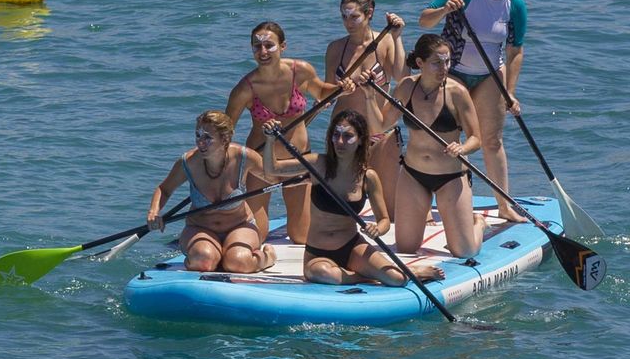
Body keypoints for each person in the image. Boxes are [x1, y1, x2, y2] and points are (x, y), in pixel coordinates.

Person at [419, 0, 527, 221]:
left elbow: (516, 50)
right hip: (453, 72)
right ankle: (429, 204)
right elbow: (424, 20)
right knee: (446, 139)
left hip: (491, 75)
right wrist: (445, 9)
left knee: (492, 141)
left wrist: (511, 92)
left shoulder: (515, 3)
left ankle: (504, 206)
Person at [224, 21, 355, 245]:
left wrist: (342, 88)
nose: (263, 51)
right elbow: (225, 132)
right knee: (257, 236)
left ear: (283, 46)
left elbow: (321, 91)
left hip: (298, 162)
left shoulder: (300, 71)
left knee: (300, 236)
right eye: (257, 46)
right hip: (260, 165)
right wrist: (226, 171)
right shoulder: (244, 88)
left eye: (269, 45)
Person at [279, 109, 444, 286]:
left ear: (360, 140)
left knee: (397, 280)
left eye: (348, 136)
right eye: (336, 135)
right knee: (324, 274)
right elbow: (272, 170)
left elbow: (384, 220)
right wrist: (270, 139)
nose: (340, 142)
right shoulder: (318, 164)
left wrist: (377, 230)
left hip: (352, 247)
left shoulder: (368, 177)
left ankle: (409, 272)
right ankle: (367, 276)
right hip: (318, 253)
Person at [380, 35, 486, 259]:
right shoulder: (407, 87)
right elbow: (382, 124)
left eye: (447, 62)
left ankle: (479, 223)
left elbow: (476, 138)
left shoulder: (457, 93)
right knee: (406, 248)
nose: (444, 68)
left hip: (450, 177)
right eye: (437, 63)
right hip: (413, 174)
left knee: (465, 252)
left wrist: (462, 149)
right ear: (420, 63)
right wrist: (369, 95)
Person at [147, 111, 277, 274]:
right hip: (199, 227)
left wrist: (270, 141)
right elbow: (164, 189)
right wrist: (154, 212)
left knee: (238, 263)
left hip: (239, 226)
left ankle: (267, 257)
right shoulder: (189, 162)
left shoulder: (243, 157)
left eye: (207, 138)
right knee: (203, 262)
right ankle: (208, 255)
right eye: (198, 136)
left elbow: (272, 177)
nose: (200, 143)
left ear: (225, 139)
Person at [322, 0, 408, 219]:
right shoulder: (335, 48)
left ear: (369, 14)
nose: (348, 23)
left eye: (354, 17)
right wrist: (339, 90)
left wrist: (398, 37)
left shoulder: (385, 41)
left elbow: (403, 77)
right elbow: (325, 95)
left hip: (379, 131)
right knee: (339, 209)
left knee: (391, 211)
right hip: (343, 134)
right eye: (344, 17)